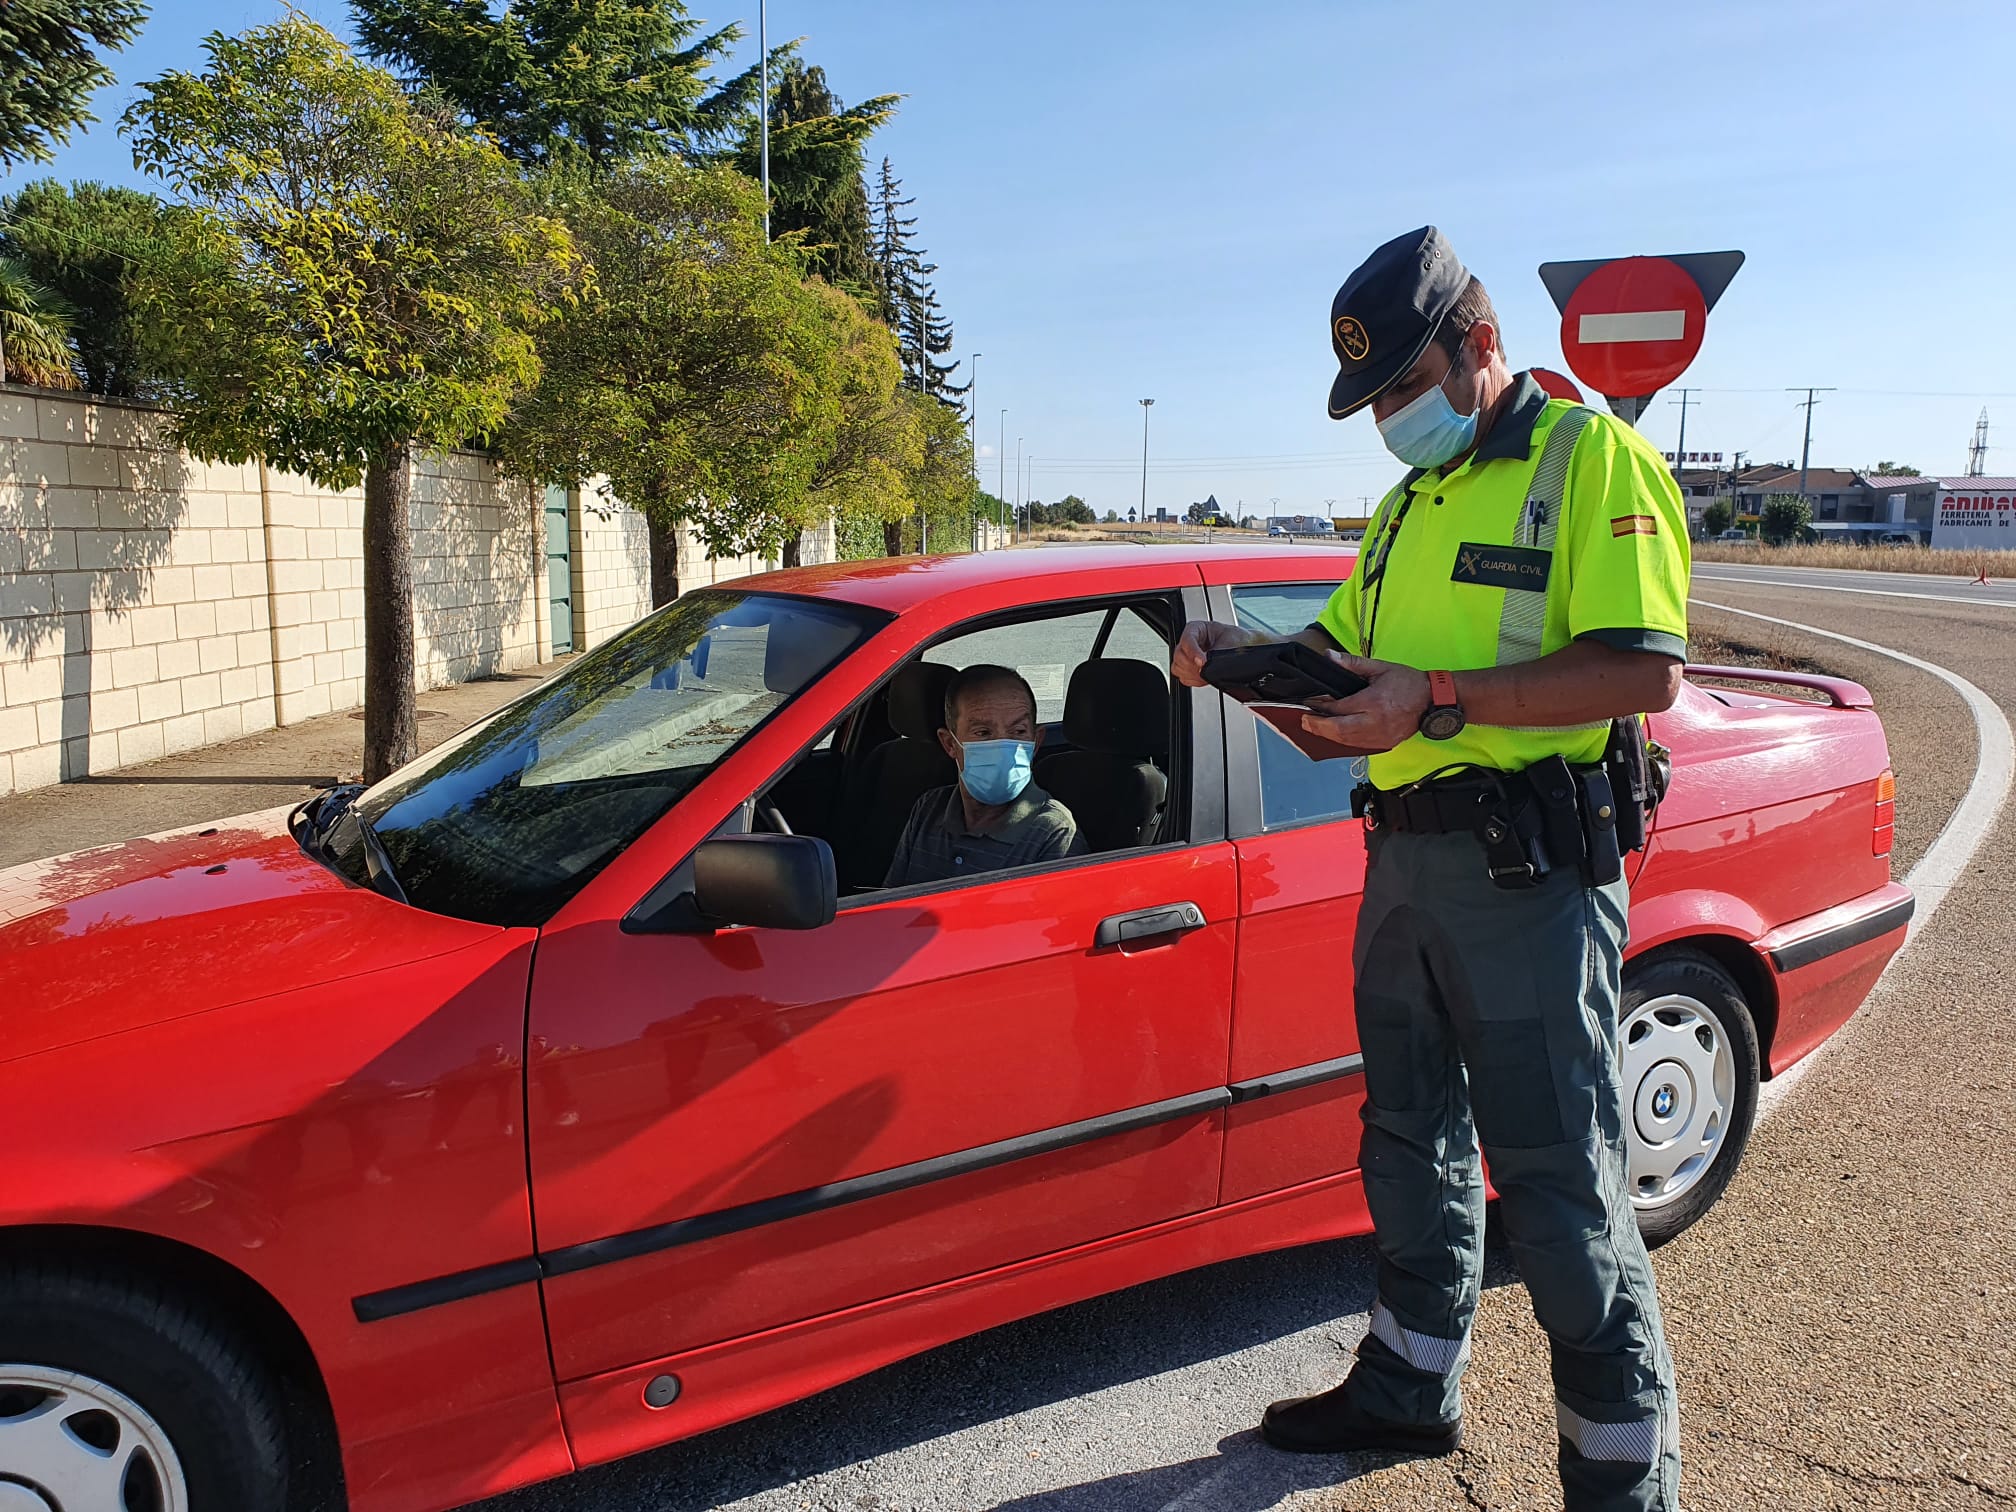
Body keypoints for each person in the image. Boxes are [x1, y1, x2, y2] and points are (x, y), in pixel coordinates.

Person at [1173, 226, 1690, 1512]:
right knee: (1407, 1141)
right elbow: (1350, 682)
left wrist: (1440, 698)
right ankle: (1408, 1388)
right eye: (1377, 403)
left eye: (1408, 387)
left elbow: (1645, 669)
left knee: (1562, 1187)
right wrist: (1248, 668)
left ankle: (1625, 1481)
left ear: (1480, 344)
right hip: (1401, 870)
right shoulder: (1406, 508)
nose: (1393, 420)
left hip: (1529, 882)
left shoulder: (1589, 462)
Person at [883, 663, 1085, 888]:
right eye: (983, 733)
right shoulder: (929, 808)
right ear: (950, 743)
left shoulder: (1053, 832)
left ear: (1035, 742)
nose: (1001, 746)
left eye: (1018, 731)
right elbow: (889, 906)